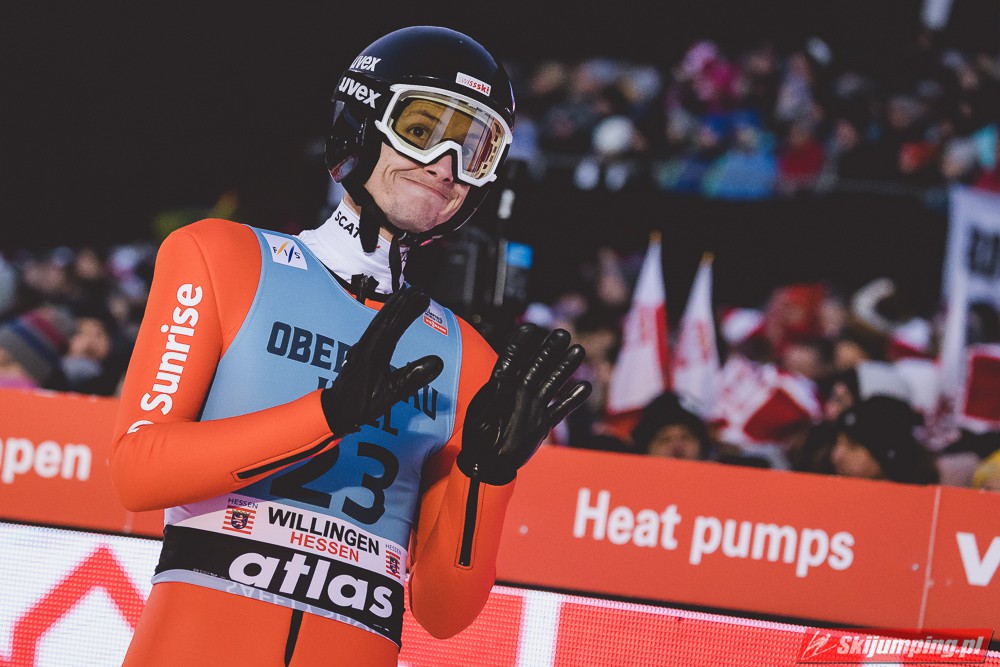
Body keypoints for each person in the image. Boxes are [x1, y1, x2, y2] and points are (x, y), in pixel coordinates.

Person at [110, 26, 591, 667]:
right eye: (421, 129)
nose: (446, 165)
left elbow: (444, 613)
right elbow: (138, 471)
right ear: (362, 122)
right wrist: (327, 416)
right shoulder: (221, 257)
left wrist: (488, 478)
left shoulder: (469, 356)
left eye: (475, 149)